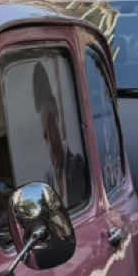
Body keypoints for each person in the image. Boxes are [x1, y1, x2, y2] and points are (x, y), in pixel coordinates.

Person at [32, 61, 88, 207]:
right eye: (45, 135)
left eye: (51, 126)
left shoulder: (78, 165)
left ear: (57, 113)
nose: (51, 139)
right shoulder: (48, 178)